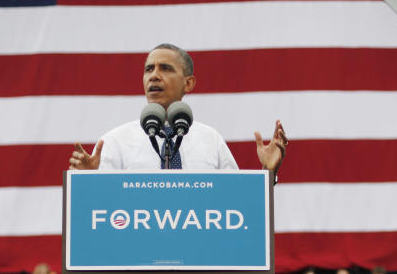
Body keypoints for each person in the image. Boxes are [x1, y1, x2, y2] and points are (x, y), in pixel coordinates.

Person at [69, 43, 286, 177]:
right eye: (148, 69)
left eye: (165, 68)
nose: (154, 75)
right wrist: (87, 181)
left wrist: (268, 172)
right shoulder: (115, 141)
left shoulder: (211, 140)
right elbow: (102, 211)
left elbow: (236, 203)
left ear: (188, 83)